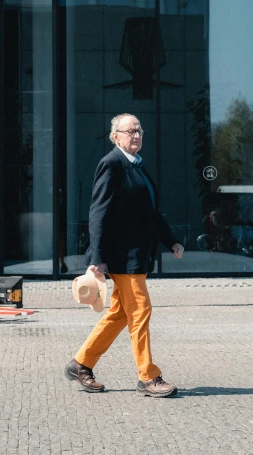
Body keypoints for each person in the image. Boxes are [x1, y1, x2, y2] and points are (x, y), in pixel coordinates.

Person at [65, 113, 184, 397]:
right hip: (122, 256)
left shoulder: (137, 166)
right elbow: (98, 213)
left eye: (139, 130)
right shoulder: (112, 164)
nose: (136, 135)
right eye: (129, 131)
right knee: (141, 310)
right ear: (115, 136)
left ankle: (81, 363)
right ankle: (148, 376)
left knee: (120, 314)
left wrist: (171, 241)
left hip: (136, 255)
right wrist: (98, 258)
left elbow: (150, 212)